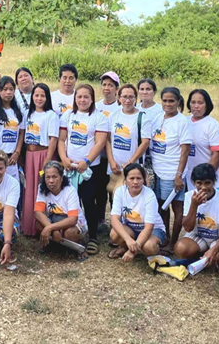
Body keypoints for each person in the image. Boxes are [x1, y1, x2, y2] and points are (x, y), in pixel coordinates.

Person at [58, 84, 109, 255]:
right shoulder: (68, 115)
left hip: (89, 170)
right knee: (72, 202)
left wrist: (86, 161)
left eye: (86, 97)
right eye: (79, 97)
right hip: (70, 168)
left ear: (92, 98)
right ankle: (75, 233)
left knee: (88, 202)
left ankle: (92, 236)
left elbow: (100, 142)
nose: (82, 100)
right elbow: (61, 140)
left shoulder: (99, 117)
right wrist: (64, 159)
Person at [175, 163, 219, 277]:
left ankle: (218, 262)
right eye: (199, 183)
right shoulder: (189, 196)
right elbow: (188, 228)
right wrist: (194, 205)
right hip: (199, 237)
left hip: (218, 238)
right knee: (180, 248)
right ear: (194, 183)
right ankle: (200, 257)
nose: (203, 187)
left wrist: (214, 250)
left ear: (214, 182)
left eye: (207, 183)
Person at [150, 87, 191, 252]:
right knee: (162, 207)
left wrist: (179, 174)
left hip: (173, 172)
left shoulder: (182, 121)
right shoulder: (158, 118)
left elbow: (185, 149)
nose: (167, 104)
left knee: (177, 208)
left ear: (178, 102)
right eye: (165, 100)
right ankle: (166, 236)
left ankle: (174, 242)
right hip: (157, 171)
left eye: (171, 101)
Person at [108, 163, 166, 261]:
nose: (135, 182)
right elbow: (114, 220)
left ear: (144, 180)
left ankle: (143, 249)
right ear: (125, 179)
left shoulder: (149, 195)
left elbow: (148, 227)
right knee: (114, 234)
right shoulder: (120, 191)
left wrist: (133, 251)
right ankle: (127, 247)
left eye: (139, 178)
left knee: (148, 247)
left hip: (153, 230)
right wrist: (128, 239)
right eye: (131, 178)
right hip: (132, 228)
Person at [23, 83, 59, 236]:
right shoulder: (28, 113)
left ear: (47, 97)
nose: (39, 98)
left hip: (43, 154)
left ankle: (44, 225)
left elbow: (53, 139)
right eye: (36, 95)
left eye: (42, 95)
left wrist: (48, 159)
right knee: (29, 188)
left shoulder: (51, 115)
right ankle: (29, 226)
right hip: (29, 155)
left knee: (41, 189)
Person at [34, 161, 88, 258]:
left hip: (73, 223)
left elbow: (72, 219)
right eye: (48, 177)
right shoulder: (41, 188)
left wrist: (50, 228)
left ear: (62, 178)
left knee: (69, 233)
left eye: (54, 177)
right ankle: (52, 244)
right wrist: (53, 229)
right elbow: (38, 212)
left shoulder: (70, 191)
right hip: (54, 221)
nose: (51, 181)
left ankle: (75, 247)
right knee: (38, 224)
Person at [106, 84, 152, 186]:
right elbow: (108, 139)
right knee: (114, 197)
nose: (128, 100)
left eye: (131, 97)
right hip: (115, 167)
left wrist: (130, 163)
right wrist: (111, 161)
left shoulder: (143, 118)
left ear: (136, 99)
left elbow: (145, 143)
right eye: (124, 97)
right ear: (119, 98)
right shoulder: (113, 114)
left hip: (133, 168)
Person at [94, 72, 121, 226]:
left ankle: (115, 221)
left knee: (115, 190)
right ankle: (100, 219)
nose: (106, 88)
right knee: (100, 189)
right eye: (104, 84)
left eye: (110, 85)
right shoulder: (97, 106)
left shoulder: (121, 107)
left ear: (116, 88)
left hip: (115, 157)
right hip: (99, 156)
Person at [185, 89, 219, 191]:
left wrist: (207, 177)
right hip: (186, 175)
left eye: (200, 103)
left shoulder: (212, 125)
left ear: (207, 105)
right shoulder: (184, 121)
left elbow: (217, 153)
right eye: (193, 102)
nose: (196, 106)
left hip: (203, 179)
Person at [0, 76, 25, 182]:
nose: (8, 92)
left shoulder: (18, 111)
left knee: (12, 189)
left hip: (12, 159)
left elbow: (21, 133)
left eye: (11, 89)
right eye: (5, 89)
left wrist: (17, 153)